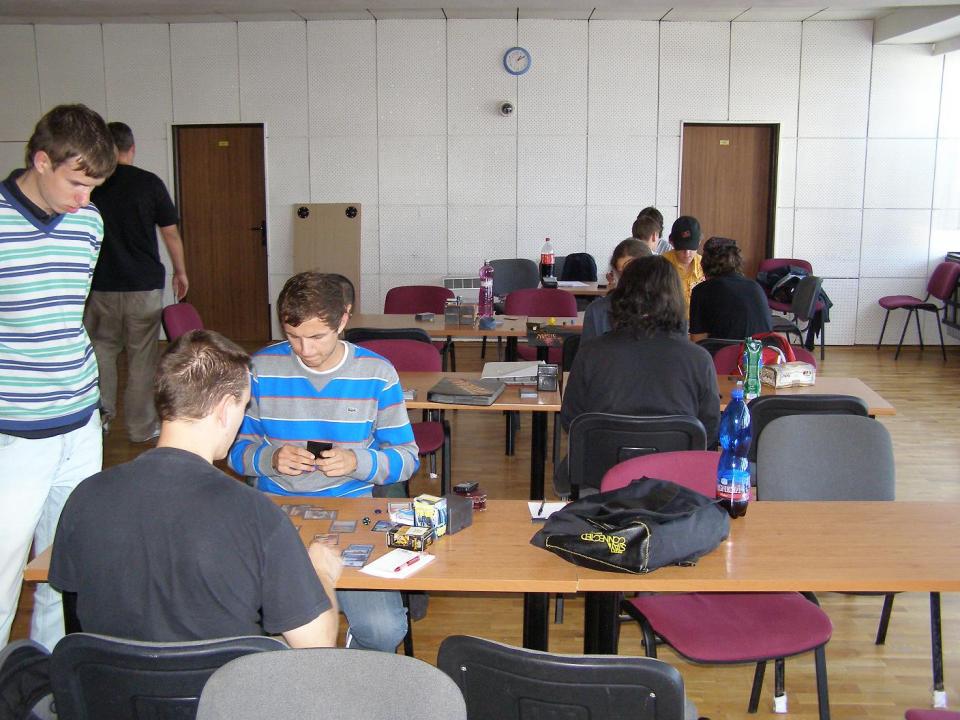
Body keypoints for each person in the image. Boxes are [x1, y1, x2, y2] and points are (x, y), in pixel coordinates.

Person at [49, 330, 339, 646]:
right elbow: (317, 644)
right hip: (221, 679)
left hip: (108, 677)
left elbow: (74, 605)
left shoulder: (86, 496)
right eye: (243, 406)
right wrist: (321, 573)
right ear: (225, 409)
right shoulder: (256, 513)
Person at [229, 271, 417, 651]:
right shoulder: (260, 369)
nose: (305, 350)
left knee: (383, 630)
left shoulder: (377, 373)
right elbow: (234, 452)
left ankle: (341, 672)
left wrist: (357, 462)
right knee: (265, 631)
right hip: (276, 512)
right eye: (293, 336)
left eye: (317, 337)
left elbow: (407, 459)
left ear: (343, 319)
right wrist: (270, 458)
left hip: (353, 509)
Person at [0, 105, 117, 651]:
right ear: (41, 160)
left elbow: (66, 314)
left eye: (93, 187)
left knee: (66, 567)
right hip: (14, 431)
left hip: (80, 421)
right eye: (76, 183)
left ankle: (50, 676)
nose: (84, 199)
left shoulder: (88, 223)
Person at [83, 122, 188, 443]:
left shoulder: (92, 183)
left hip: (100, 286)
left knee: (102, 352)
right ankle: (141, 428)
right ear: (132, 149)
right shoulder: (148, 183)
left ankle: (100, 421)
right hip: (143, 286)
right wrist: (181, 272)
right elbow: (170, 233)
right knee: (142, 357)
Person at [562, 256, 720, 452]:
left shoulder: (591, 353)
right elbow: (709, 429)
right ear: (676, 298)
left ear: (621, 295)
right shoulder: (699, 359)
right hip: (674, 468)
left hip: (604, 467)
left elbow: (571, 420)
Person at [689, 237, 773, 342]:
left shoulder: (701, 291)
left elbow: (698, 341)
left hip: (723, 351)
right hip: (760, 350)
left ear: (704, 264)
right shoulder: (755, 287)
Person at [583, 238, 652, 341]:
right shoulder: (598, 311)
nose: (629, 279)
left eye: (635, 271)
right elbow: (588, 350)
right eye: (622, 273)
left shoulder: (665, 309)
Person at [662, 215, 705, 309]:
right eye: (682, 248)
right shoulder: (662, 264)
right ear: (671, 242)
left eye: (691, 248)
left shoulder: (705, 265)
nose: (687, 253)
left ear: (699, 242)